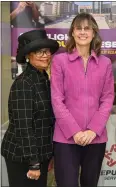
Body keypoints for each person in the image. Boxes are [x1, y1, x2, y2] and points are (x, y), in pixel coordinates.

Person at [50, 12, 114, 187]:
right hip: (66, 138)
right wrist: (75, 132)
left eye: (87, 28)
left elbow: (107, 99)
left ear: (94, 33)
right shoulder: (59, 61)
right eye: (78, 28)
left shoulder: (105, 63)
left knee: (90, 183)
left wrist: (93, 130)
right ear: (72, 32)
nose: (83, 32)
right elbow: (57, 99)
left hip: (96, 138)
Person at [1, 30, 59, 187]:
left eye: (47, 51)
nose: (46, 55)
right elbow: (23, 126)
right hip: (23, 156)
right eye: (39, 52)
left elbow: (47, 120)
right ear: (28, 55)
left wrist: (48, 155)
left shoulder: (43, 78)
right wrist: (33, 162)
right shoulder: (24, 83)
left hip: (40, 154)